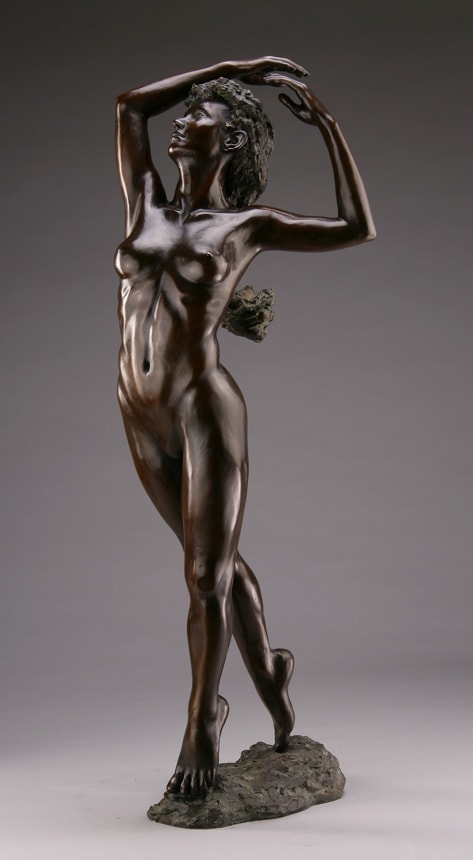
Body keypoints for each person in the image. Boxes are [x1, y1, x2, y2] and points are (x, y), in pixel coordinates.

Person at [114, 57, 375, 798]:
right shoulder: (144, 203)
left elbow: (356, 227)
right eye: (188, 111)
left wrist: (326, 126)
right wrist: (235, 67)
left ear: (230, 142)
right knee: (216, 565)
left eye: (202, 115)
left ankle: (204, 718)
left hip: (203, 409)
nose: (183, 121)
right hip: (138, 410)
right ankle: (272, 676)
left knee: (204, 575)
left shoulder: (245, 227)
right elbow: (130, 105)